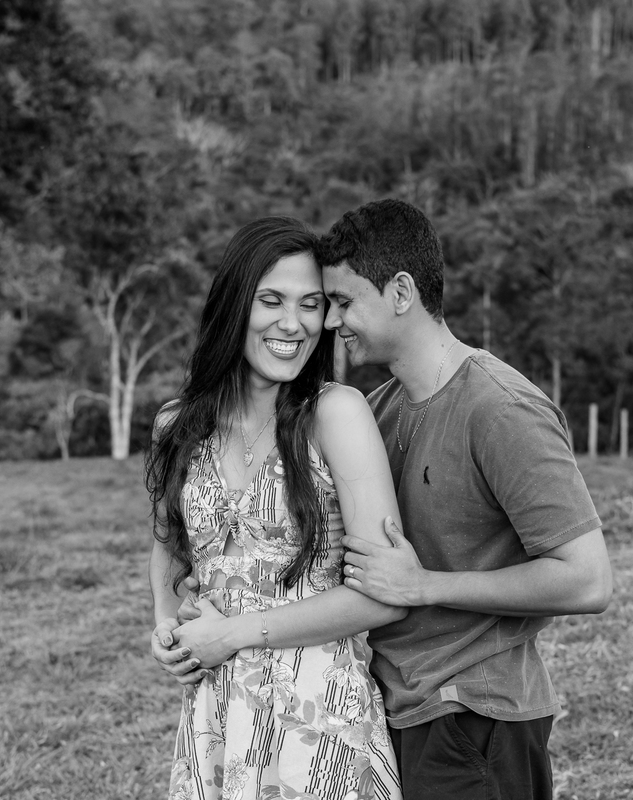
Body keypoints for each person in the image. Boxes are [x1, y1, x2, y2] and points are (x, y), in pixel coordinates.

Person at [316, 198, 614, 800]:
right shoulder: (376, 412)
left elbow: (588, 581)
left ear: (402, 292)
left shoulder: (501, 408)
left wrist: (425, 585)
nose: (330, 322)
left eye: (344, 301)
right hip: (398, 713)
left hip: (476, 719)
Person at [146, 216, 404, 800]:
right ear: (234, 305)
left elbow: (385, 595)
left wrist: (235, 634)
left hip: (319, 722)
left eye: (311, 305)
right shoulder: (176, 425)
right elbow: (167, 547)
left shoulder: (336, 414)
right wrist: (165, 625)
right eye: (272, 301)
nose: (294, 323)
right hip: (217, 716)